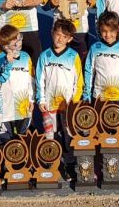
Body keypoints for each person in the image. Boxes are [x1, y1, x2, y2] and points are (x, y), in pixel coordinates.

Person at [83, 11, 119, 179]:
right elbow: (88, 72)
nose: (107, 35)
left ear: (118, 30)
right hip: (101, 99)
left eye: (111, 31)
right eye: (104, 31)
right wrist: (87, 95)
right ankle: (99, 168)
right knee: (100, 134)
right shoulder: (95, 48)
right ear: (99, 30)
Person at [36, 19, 83, 165]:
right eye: (57, 34)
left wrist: (74, 101)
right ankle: (52, 164)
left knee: (68, 136)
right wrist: (41, 99)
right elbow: (39, 79)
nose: (60, 39)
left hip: (67, 105)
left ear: (69, 39)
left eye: (64, 36)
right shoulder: (44, 56)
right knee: (51, 136)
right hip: (49, 104)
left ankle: (70, 164)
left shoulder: (73, 56)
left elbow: (79, 80)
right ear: (52, 34)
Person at [0, 24, 35, 144]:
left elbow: (30, 80)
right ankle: (6, 162)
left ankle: (23, 162)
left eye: (19, 38)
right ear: (5, 46)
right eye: (15, 41)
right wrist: (8, 63)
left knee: (23, 139)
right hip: (5, 107)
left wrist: (32, 100)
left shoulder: (26, 57)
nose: (19, 42)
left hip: (23, 106)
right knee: (5, 140)